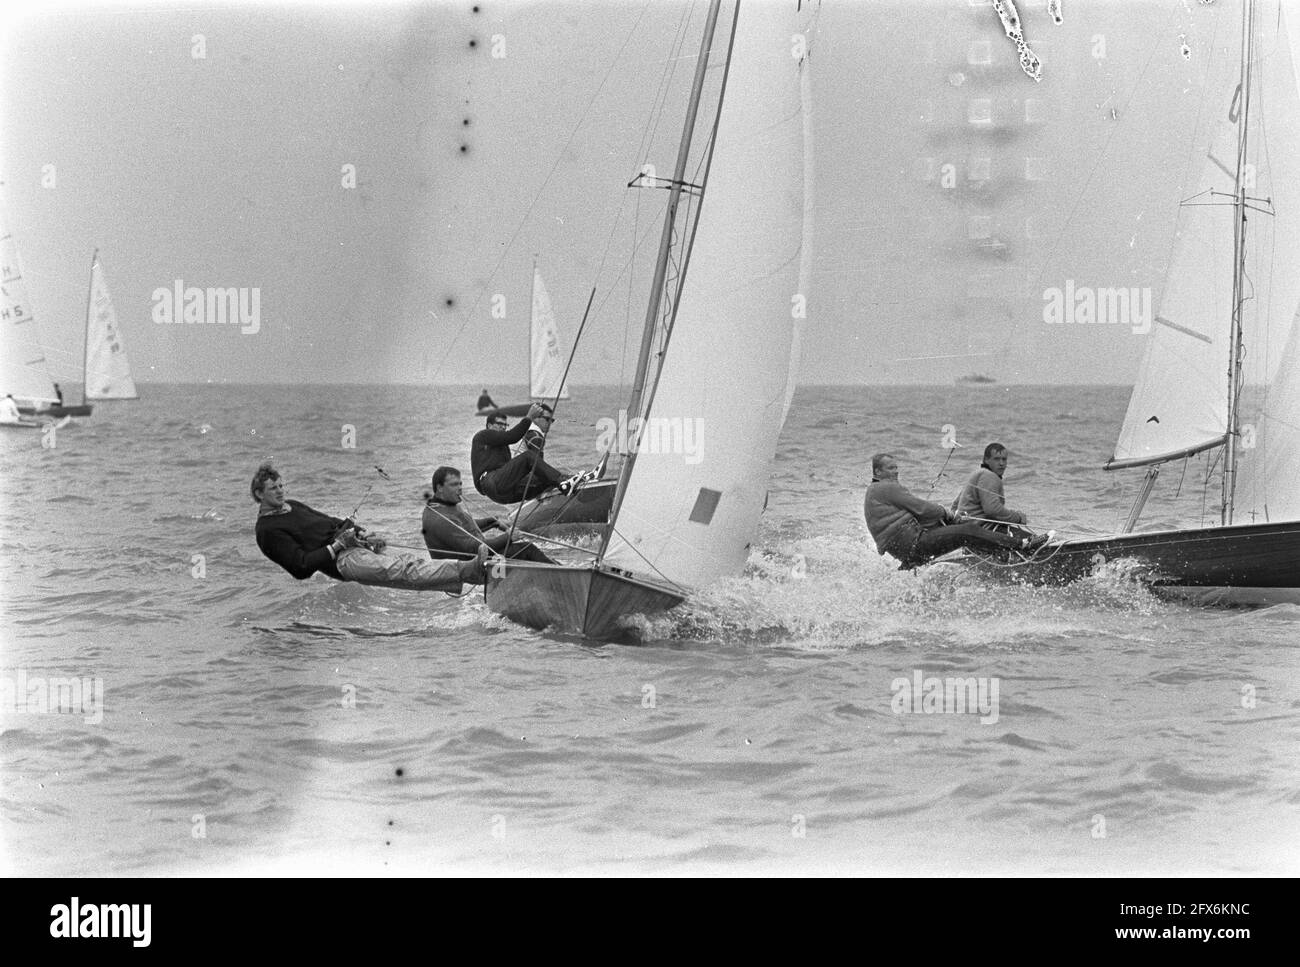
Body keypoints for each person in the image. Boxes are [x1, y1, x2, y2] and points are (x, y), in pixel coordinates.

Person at [251, 462, 489, 591]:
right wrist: (337, 546)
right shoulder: (267, 531)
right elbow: (300, 567)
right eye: (274, 489)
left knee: (409, 563)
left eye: (282, 486)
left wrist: (362, 533)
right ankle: (469, 570)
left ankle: (470, 579)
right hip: (343, 561)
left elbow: (331, 521)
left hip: (355, 545)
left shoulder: (291, 505)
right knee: (404, 570)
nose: (281, 491)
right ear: (259, 494)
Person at [864, 453, 1046, 569]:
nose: (895, 471)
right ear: (877, 472)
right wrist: (948, 514)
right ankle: (1022, 545)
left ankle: (996, 553)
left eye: (896, 467)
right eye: (890, 468)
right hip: (912, 545)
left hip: (904, 550)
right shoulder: (885, 488)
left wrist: (948, 521)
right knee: (969, 530)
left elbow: (917, 514)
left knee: (960, 530)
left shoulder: (875, 490)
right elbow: (923, 508)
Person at [422, 466, 556, 563]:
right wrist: (508, 537)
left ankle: (551, 569)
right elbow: (474, 548)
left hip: (476, 554)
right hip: (471, 563)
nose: (460, 488)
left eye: (460, 484)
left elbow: (465, 528)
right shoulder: (440, 519)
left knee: (521, 551)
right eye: (454, 485)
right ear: (439, 488)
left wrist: (493, 522)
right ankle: (561, 574)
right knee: (527, 549)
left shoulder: (443, 505)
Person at [471, 403, 570, 504]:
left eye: (505, 425)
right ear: (489, 425)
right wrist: (529, 417)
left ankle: (568, 482)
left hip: (503, 494)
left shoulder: (503, 447)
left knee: (545, 478)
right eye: (500, 424)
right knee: (528, 456)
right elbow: (513, 436)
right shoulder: (482, 436)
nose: (503, 428)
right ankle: (562, 481)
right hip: (491, 483)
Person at [953, 442, 1031, 536]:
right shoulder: (989, 476)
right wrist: (1018, 517)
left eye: (1004, 459)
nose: (1001, 463)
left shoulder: (977, 474)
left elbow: (955, 505)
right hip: (980, 529)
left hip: (965, 528)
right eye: (996, 459)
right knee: (1032, 540)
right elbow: (992, 510)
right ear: (986, 460)